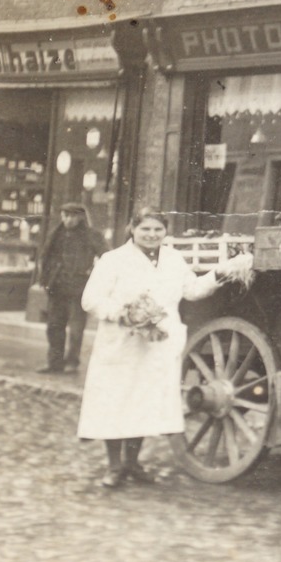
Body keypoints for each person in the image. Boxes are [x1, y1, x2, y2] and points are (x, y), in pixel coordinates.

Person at [77, 207, 224, 489]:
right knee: (117, 400)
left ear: (165, 231)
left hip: (157, 345)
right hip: (121, 344)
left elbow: (192, 290)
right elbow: (91, 299)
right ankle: (114, 466)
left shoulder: (173, 260)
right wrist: (122, 313)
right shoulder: (113, 260)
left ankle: (133, 462)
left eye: (158, 229)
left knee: (142, 401)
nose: (152, 234)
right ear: (132, 229)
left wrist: (219, 274)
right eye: (145, 229)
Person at [37, 201, 104, 374]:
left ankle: (72, 362)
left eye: (72, 216)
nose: (68, 220)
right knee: (54, 326)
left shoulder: (91, 235)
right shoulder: (56, 234)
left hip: (79, 288)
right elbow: (45, 257)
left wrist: (94, 276)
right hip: (57, 286)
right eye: (65, 215)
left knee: (76, 328)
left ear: (80, 217)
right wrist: (45, 279)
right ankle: (54, 362)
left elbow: (106, 258)